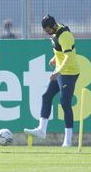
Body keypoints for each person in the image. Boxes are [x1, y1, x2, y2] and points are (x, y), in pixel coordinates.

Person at [24, 15, 80, 147]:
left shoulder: (64, 35)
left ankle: (68, 140)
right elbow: (59, 51)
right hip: (60, 71)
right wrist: (54, 59)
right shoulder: (55, 32)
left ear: (53, 26)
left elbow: (68, 56)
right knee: (46, 96)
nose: (46, 32)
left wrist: (58, 71)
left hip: (69, 72)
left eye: (47, 30)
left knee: (65, 102)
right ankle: (42, 130)